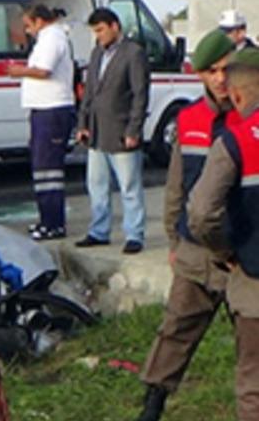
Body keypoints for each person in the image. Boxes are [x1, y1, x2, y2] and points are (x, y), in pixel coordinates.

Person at [135, 30, 240, 421]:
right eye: (211, 71)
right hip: (196, 248)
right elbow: (176, 183)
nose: (220, 79)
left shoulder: (252, 119)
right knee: (176, 330)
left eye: (227, 70)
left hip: (243, 253)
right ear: (200, 75)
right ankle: (152, 407)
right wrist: (173, 239)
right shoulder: (190, 118)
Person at [187, 48, 259, 421]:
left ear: (237, 95)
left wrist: (224, 250)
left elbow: (200, 212)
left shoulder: (236, 142)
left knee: (254, 385)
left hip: (253, 284)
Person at [75, 8, 150, 254]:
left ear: (115, 26)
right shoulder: (97, 53)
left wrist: (134, 129)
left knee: (129, 186)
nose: (98, 36)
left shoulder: (133, 53)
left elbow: (140, 94)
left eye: (101, 30)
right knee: (96, 184)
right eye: (95, 32)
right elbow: (89, 92)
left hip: (121, 130)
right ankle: (99, 231)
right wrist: (83, 124)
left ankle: (134, 234)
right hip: (96, 130)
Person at [7, 5, 76, 241]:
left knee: (49, 170)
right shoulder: (47, 38)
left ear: (39, 21)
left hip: (52, 109)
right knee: (41, 168)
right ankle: (47, 219)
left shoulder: (52, 38)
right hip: (42, 109)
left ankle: (53, 224)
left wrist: (18, 71)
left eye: (28, 24)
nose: (27, 30)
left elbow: (44, 71)